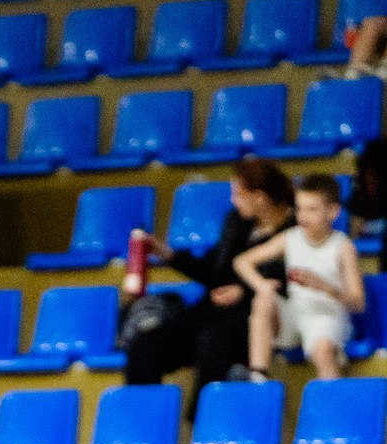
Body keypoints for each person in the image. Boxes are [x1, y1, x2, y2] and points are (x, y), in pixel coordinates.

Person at [122, 158, 291, 394]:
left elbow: (287, 280)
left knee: (214, 340)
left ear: (260, 198)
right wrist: (167, 253)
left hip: (257, 318)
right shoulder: (236, 223)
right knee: (146, 343)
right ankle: (142, 422)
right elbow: (214, 272)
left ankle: (202, 423)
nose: (233, 201)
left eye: (239, 194)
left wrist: (243, 291)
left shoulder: (292, 230)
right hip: (214, 311)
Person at [238, 172, 359, 381]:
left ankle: (330, 404)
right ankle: (258, 378)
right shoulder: (290, 238)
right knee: (263, 299)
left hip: (326, 316)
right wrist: (262, 285)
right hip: (294, 315)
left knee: (322, 350)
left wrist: (324, 287)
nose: (303, 216)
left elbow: (358, 302)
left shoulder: (343, 246)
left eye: (312, 209)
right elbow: (242, 261)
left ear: (333, 212)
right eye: (300, 208)